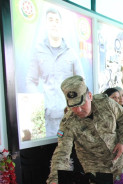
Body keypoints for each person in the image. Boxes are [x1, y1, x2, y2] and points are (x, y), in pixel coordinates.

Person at [44, 75, 123, 184]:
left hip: (118, 165)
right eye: (73, 106)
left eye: (81, 104)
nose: (78, 110)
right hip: (94, 171)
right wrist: (55, 181)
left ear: (89, 96)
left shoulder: (105, 103)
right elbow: (62, 153)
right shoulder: (68, 122)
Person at [26, 7, 84, 137]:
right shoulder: (38, 51)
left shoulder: (71, 53)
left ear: (61, 24)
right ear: (46, 24)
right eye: (51, 20)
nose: (54, 23)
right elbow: (31, 81)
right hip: (48, 118)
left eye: (57, 20)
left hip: (70, 116)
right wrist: (41, 105)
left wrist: (76, 106)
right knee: (52, 152)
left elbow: (81, 83)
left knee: (70, 153)